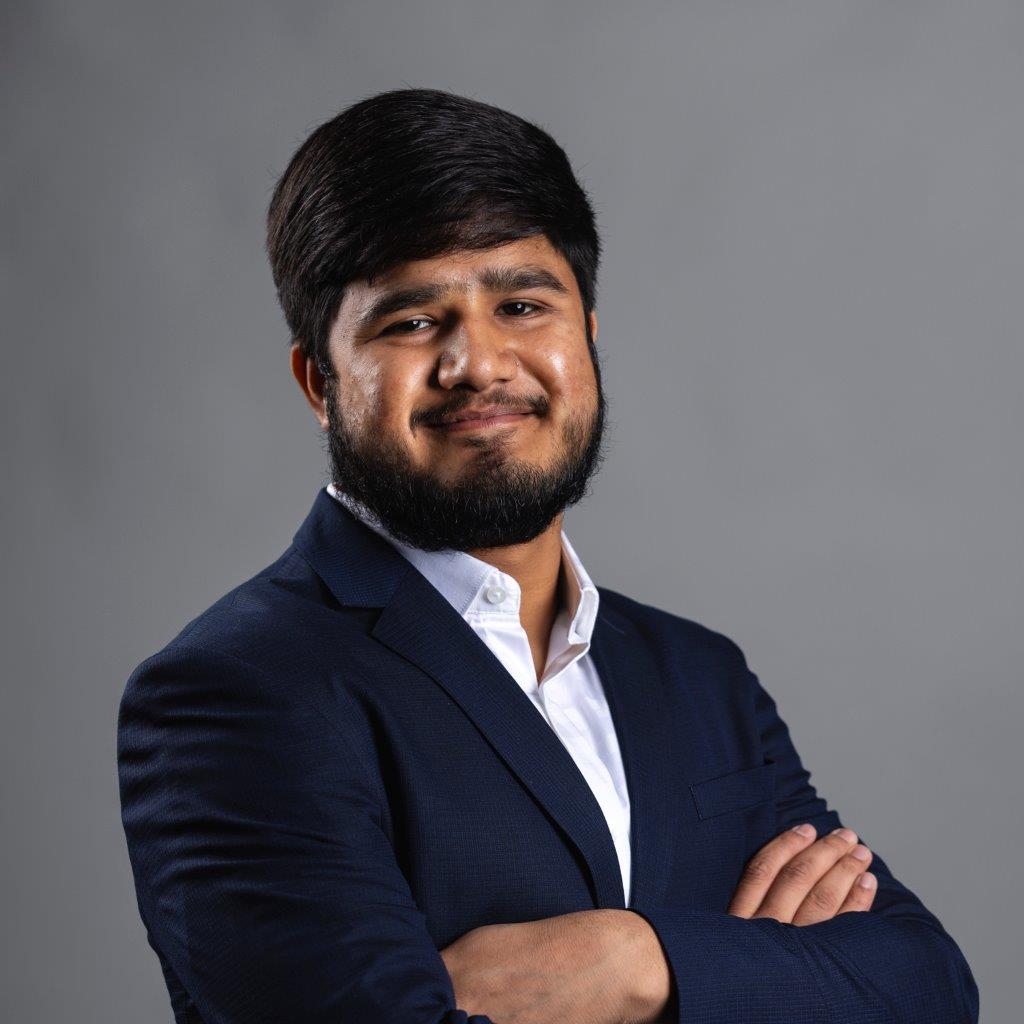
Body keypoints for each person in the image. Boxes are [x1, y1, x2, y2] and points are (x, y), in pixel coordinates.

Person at [116, 87, 979, 1024]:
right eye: (411, 322)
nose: (480, 363)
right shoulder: (236, 693)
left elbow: (928, 987)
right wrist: (760, 979)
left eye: (523, 304)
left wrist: (637, 962)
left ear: (588, 338)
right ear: (319, 382)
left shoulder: (699, 677)